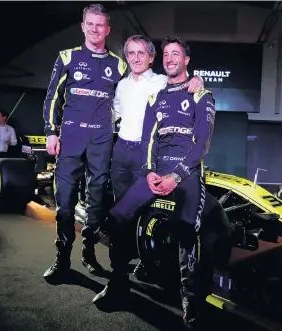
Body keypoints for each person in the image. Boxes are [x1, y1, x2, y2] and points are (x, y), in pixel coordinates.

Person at [93, 36, 216, 329]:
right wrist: (150, 171)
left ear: (186, 60)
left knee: (188, 228)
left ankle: (190, 300)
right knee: (116, 217)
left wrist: (177, 175)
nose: (171, 58)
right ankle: (120, 280)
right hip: (152, 169)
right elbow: (148, 138)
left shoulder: (201, 94)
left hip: (186, 172)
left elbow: (202, 143)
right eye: (167, 54)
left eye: (177, 54)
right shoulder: (155, 95)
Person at [42, 3, 127, 281]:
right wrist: (50, 131)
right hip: (71, 136)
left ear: (107, 29)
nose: (94, 29)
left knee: (96, 201)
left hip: (102, 140)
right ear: (82, 26)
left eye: (100, 24)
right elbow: (53, 97)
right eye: (90, 23)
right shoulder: (67, 57)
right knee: (64, 201)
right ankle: (61, 257)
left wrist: (191, 80)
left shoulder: (119, 64)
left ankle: (88, 251)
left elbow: (138, 94)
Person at [111, 34, 204, 280]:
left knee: (151, 208)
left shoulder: (163, 81)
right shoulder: (121, 85)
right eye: (130, 53)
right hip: (122, 152)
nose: (135, 58)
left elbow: (185, 79)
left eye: (141, 53)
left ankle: (146, 259)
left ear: (151, 58)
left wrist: (198, 79)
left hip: (151, 155)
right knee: (122, 211)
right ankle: (120, 275)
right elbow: (116, 114)